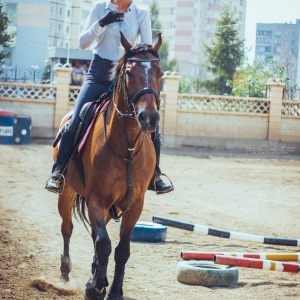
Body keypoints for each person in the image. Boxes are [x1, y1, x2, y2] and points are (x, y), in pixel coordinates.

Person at [45, 0, 173, 194]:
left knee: (151, 119)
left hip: (127, 74)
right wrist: (101, 23)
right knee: (77, 118)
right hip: (99, 72)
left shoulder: (141, 13)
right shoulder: (100, 8)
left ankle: (155, 176)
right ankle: (58, 172)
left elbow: (146, 48)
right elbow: (82, 43)